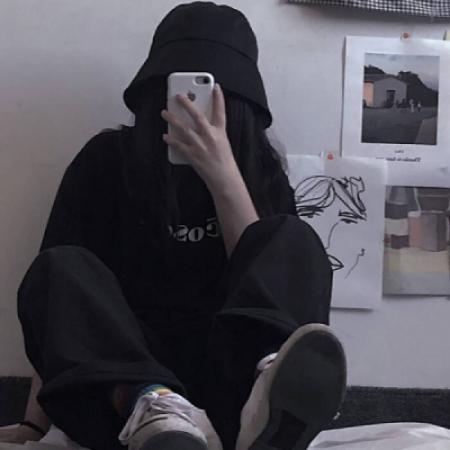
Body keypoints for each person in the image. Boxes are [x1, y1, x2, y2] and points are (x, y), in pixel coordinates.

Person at [1, 2, 346, 450]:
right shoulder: (105, 161)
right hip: (124, 394)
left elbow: (267, 284)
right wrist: (34, 424)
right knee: (60, 265)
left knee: (290, 237)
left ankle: (270, 405)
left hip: (232, 390)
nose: (190, 108)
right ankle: (157, 408)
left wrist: (222, 175)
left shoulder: (259, 170)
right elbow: (60, 300)